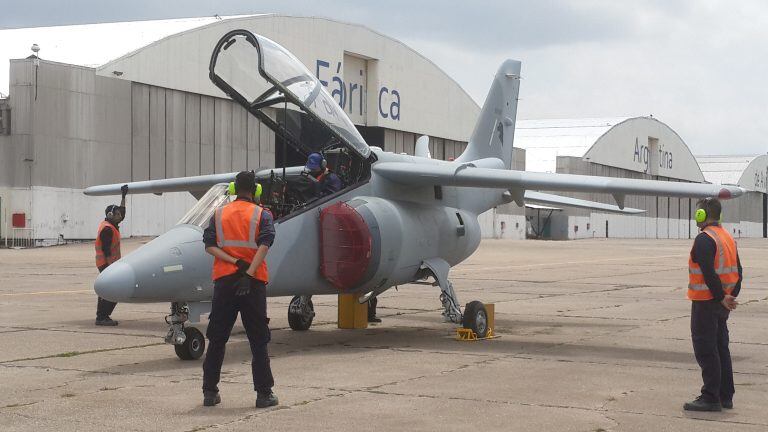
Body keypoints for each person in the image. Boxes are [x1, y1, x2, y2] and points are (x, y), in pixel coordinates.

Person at [201, 171, 278, 408]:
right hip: (252, 284)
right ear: (255, 189)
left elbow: (209, 246)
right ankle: (264, 395)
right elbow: (265, 245)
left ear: (234, 188)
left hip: (225, 282)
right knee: (258, 340)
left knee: (217, 339)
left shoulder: (219, 214)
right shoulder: (262, 214)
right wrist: (248, 273)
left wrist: (235, 263)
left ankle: (209, 392)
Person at [683, 197, 742, 412]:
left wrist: (720, 297)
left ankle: (710, 397)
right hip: (722, 303)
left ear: (702, 215)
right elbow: (739, 271)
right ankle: (725, 396)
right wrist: (730, 296)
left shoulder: (704, 239)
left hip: (706, 302)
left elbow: (708, 273)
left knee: (706, 348)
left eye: (697, 213)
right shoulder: (727, 237)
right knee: (721, 347)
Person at [94, 184, 128, 326]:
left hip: (109, 263)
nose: (120, 216)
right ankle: (102, 317)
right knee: (115, 289)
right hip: (107, 263)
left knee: (109, 290)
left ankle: (101, 316)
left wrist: (123, 196)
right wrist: (111, 269)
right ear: (110, 215)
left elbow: (123, 213)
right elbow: (106, 250)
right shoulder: (107, 229)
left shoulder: (111, 224)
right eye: (118, 214)